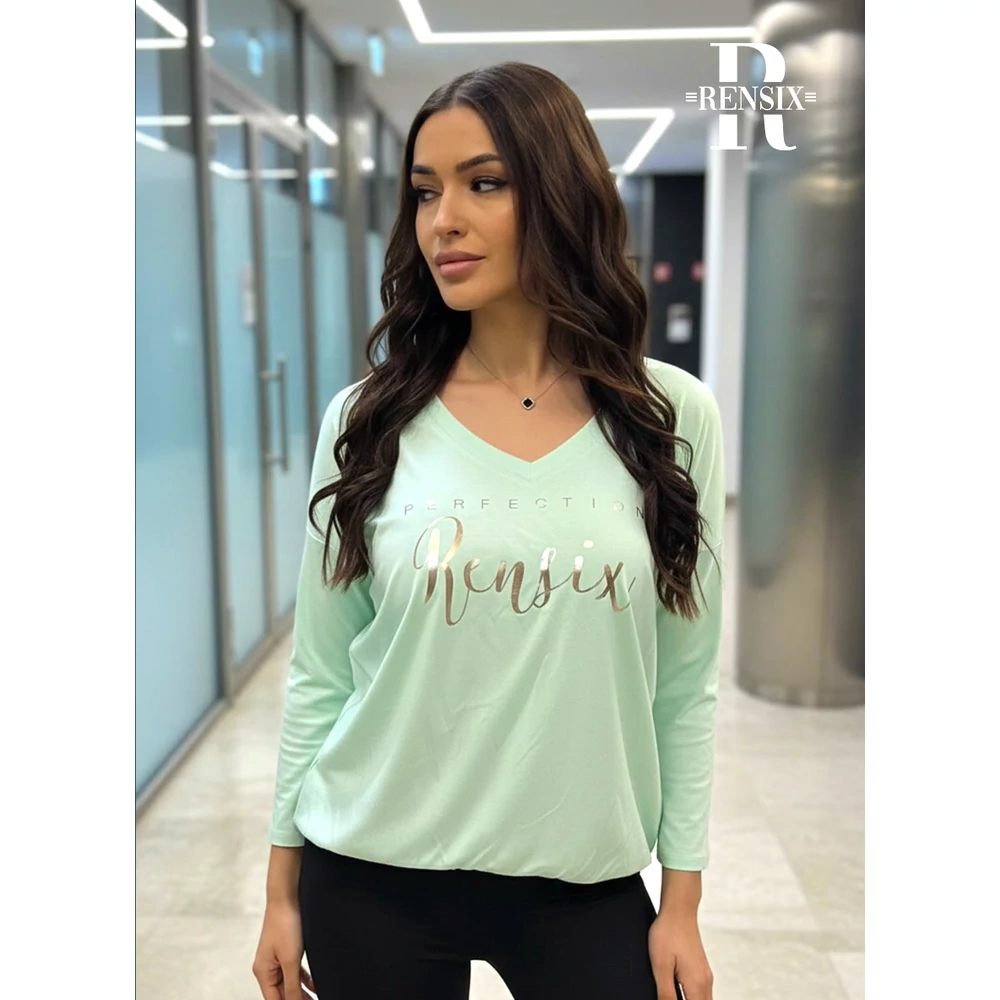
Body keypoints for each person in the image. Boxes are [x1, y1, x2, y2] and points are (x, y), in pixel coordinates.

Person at [252, 61, 724, 1000]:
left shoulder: (670, 417)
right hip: (373, 872)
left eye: (486, 183)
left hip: (582, 877)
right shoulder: (368, 419)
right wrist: (279, 889)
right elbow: (323, 671)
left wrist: (681, 902)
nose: (444, 220)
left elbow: (684, 683)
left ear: (561, 192)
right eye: (426, 192)